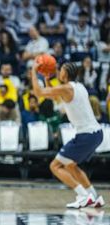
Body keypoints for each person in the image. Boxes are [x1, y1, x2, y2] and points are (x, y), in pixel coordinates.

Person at [31, 61, 105, 208]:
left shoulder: (67, 88)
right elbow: (54, 96)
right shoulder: (78, 87)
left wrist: (33, 71)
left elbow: (39, 93)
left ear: (66, 74)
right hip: (96, 133)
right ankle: (94, 197)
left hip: (86, 135)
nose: (58, 71)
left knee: (55, 166)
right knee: (71, 165)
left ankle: (83, 195)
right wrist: (47, 79)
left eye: (61, 70)